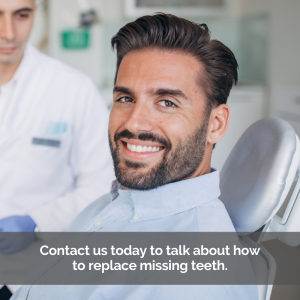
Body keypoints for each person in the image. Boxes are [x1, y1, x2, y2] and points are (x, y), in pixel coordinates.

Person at [12, 13, 259, 299]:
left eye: (166, 102)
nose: (133, 123)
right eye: (126, 99)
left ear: (215, 124)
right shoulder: (117, 202)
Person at [0, 0, 114, 247]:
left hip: (30, 268)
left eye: (21, 15)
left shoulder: (73, 89)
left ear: (35, 13)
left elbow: (101, 184)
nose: (8, 33)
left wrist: (37, 223)